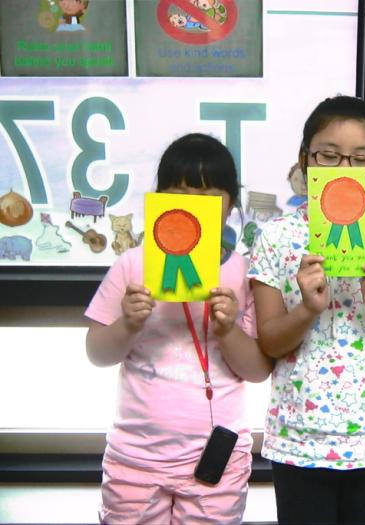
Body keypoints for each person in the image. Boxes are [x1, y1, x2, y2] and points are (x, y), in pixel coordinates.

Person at [248, 95, 365, 525]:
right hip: (298, 438)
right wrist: (307, 309)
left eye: (361, 159)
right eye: (329, 155)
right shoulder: (275, 237)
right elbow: (270, 342)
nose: (344, 169)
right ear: (305, 160)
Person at [85, 133, 272, 525]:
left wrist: (228, 330)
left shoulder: (244, 272)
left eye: (208, 197)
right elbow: (97, 353)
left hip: (218, 455)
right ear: (160, 200)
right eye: (181, 194)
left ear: (231, 205)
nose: (193, 207)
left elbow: (257, 370)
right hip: (135, 455)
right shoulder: (132, 264)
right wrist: (128, 324)